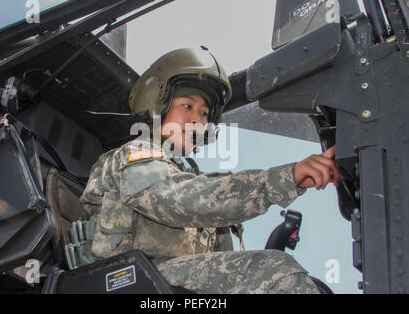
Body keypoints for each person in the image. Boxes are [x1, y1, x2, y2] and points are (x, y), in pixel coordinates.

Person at [80, 47, 339, 294]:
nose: (198, 120)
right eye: (188, 106)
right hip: (124, 280)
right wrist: (283, 179)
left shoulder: (186, 175)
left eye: (205, 114)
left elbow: (219, 256)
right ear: (157, 105)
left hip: (160, 281)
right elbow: (184, 199)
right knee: (276, 271)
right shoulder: (135, 154)